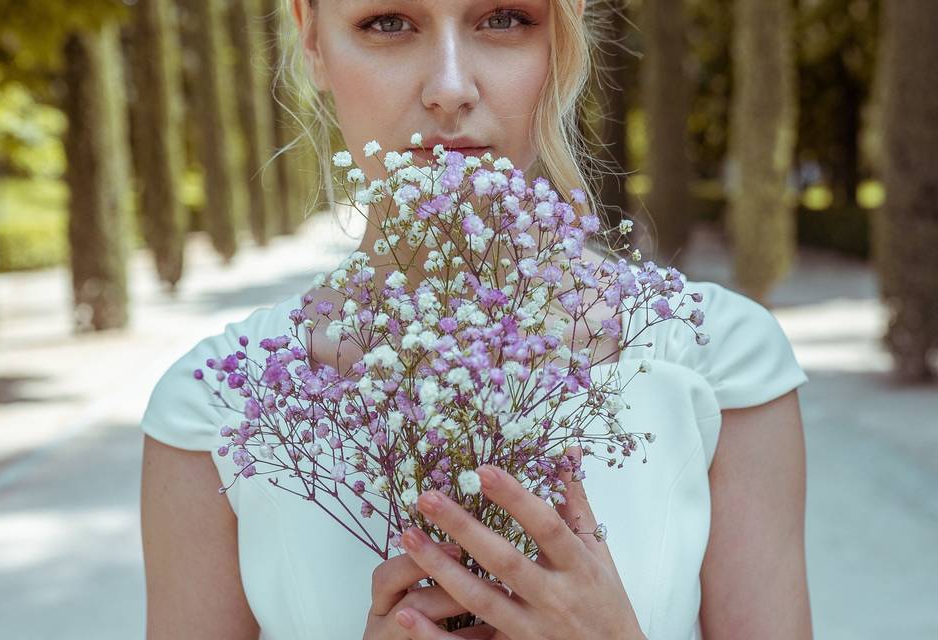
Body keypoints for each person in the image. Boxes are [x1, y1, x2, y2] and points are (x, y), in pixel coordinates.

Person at [139, 1, 814, 638]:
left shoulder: (716, 357)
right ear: (312, 38)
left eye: (503, 18)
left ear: (561, 34)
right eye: (389, 22)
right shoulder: (216, 407)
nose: (450, 88)